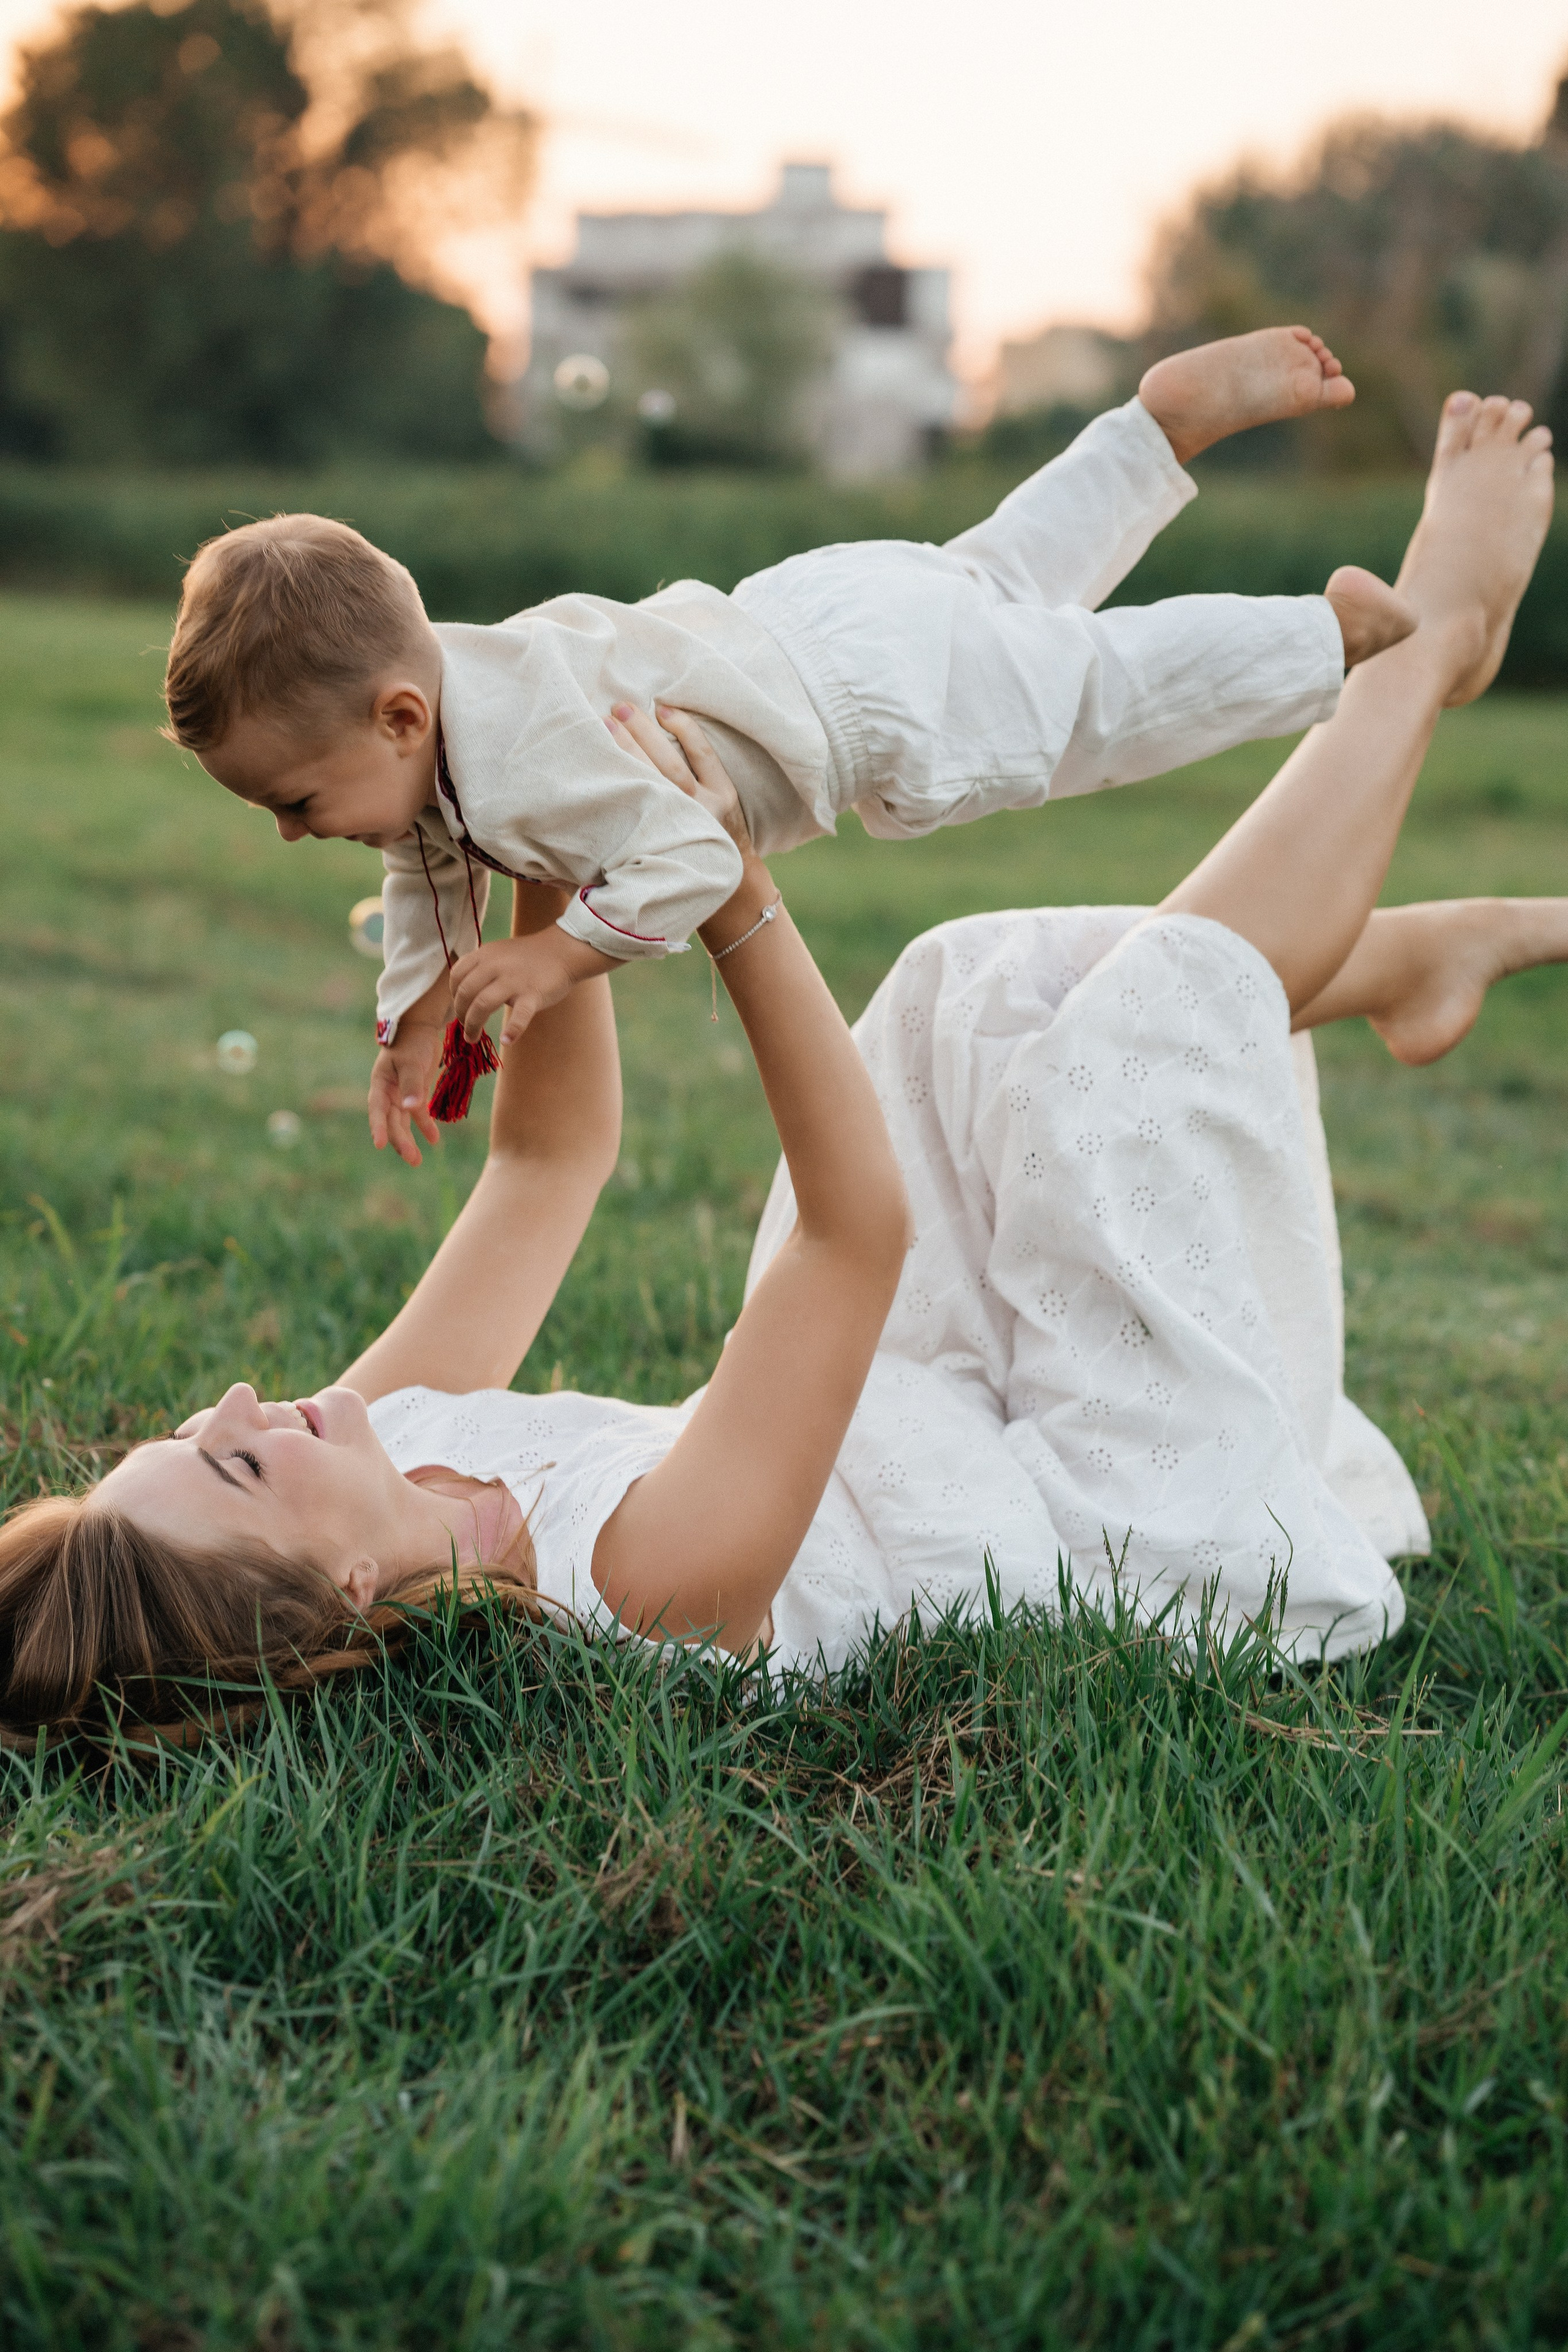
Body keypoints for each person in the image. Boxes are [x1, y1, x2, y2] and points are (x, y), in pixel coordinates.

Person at [0, 390, 1553, 1754]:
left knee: (969, 992)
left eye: (195, 1424)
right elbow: (847, 1232)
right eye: (236, 1457)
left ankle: (1391, 963)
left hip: (937, 1415)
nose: (244, 1396)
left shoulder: (392, 1438)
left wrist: (559, 827)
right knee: (1115, 1047)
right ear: (339, 1588)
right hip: (1107, 1522)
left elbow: (549, 1168)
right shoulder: (643, 1584)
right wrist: (734, 898)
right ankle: (1414, 658)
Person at [158, 328, 1419, 1164]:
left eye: (294, 798)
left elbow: (688, 858)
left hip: (862, 715)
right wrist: (413, 1020)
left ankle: (1319, 635)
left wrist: (551, 962)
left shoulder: (530, 760)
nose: (288, 831)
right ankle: (1149, 433)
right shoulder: (448, 701)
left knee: (1091, 699)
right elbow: (425, 869)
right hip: (815, 608)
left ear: (392, 721)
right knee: (1003, 574)